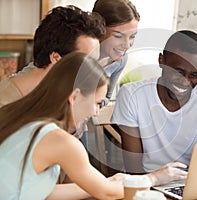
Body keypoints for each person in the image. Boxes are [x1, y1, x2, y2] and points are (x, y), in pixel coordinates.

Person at [0, 52, 124, 199]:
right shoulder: (60, 140)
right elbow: (108, 193)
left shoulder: (18, 116)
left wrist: (105, 182)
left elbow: (40, 192)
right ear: (75, 96)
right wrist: (151, 178)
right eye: (97, 103)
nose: (96, 113)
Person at [111, 30, 197, 180]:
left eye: (194, 75)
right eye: (178, 71)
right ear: (161, 60)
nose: (185, 81)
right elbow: (133, 169)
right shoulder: (131, 95)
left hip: (189, 185)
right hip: (145, 183)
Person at [0, 5, 105, 109]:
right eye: (87, 62)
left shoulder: (68, 99)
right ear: (55, 58)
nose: (93, 71)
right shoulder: (5, 102)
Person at [92, 0, 140, 107]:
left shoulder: (120, 61)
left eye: (132, 36)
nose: (127, 45)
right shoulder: (80, 55)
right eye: (118, 36)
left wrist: (94, 104)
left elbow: (107, 97)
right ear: (99, 28)